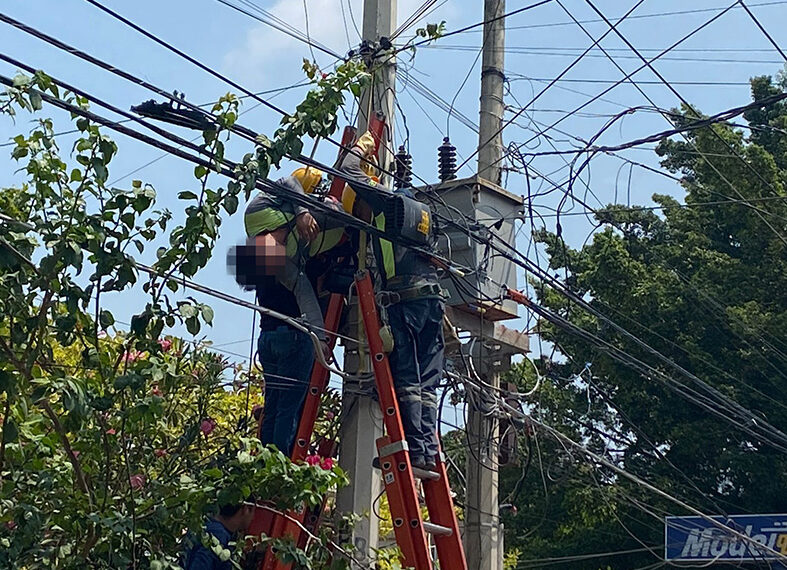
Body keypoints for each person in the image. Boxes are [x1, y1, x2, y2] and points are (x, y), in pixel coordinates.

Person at [340, 134, 446, 470]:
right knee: (427, 384)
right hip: (433, 304)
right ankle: (427, 452)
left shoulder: (389, 202)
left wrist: (360, 149)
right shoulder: (424, 211)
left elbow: (349, 171)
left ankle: (415, 451)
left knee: (407, 379)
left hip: (406, 304)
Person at [230, 167, 345, 455]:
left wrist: (302, 210)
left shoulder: (262, 235)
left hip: (269, 340)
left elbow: (286, 182)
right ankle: (277, 464)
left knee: (275, 406)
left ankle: (266, 462)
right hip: (293, 338)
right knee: (287, 410)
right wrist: (321, 341)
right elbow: (306, 295)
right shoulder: (284, 263)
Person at [182, 500, 256, 570]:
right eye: (253, 511)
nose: (253, 518)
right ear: (246, 509)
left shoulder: (205, 523)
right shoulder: (218, 535)